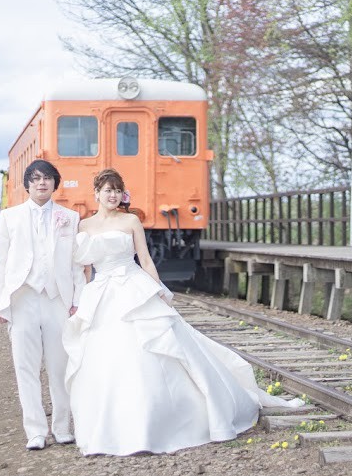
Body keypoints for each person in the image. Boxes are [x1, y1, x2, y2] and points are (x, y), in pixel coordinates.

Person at [62, 168, 302, 456]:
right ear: (96, 194)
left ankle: (165, 420)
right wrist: (79, 301)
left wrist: (160, 290)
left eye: (116, 190)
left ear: (121, 194)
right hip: (101, 293)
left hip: (132, 287)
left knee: (156, 350)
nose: (112, 195)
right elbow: (84, 269)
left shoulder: (131, 220)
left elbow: (147, 261)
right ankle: (111, 427)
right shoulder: (84, 226)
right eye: (107, 190)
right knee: (106, 357)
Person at [0, 160, 86, 450]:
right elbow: (1, 262)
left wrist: (77, 301)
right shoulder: (10, 217)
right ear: (27, 183)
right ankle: (35, 431)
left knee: (60, 367)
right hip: (22, 298)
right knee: (25, 367)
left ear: (55, 183)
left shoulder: (70, 217)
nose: (41, 183)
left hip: (58, 298)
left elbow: (76, 264)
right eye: (35, 178)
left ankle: (62, 427)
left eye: (47, 178)